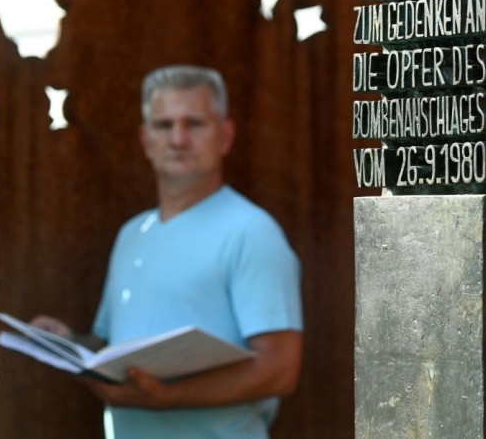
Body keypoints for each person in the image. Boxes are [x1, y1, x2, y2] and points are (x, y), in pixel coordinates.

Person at [33, 65, 303, 438]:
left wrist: (168, 396)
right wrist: (68, 340)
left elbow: (280, 368)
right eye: (164, 125)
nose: (178, 139)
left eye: (194, 124)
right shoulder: (132, 234)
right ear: (146, 141)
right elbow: (116, 344)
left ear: (225, 136)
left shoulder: (252, 232)